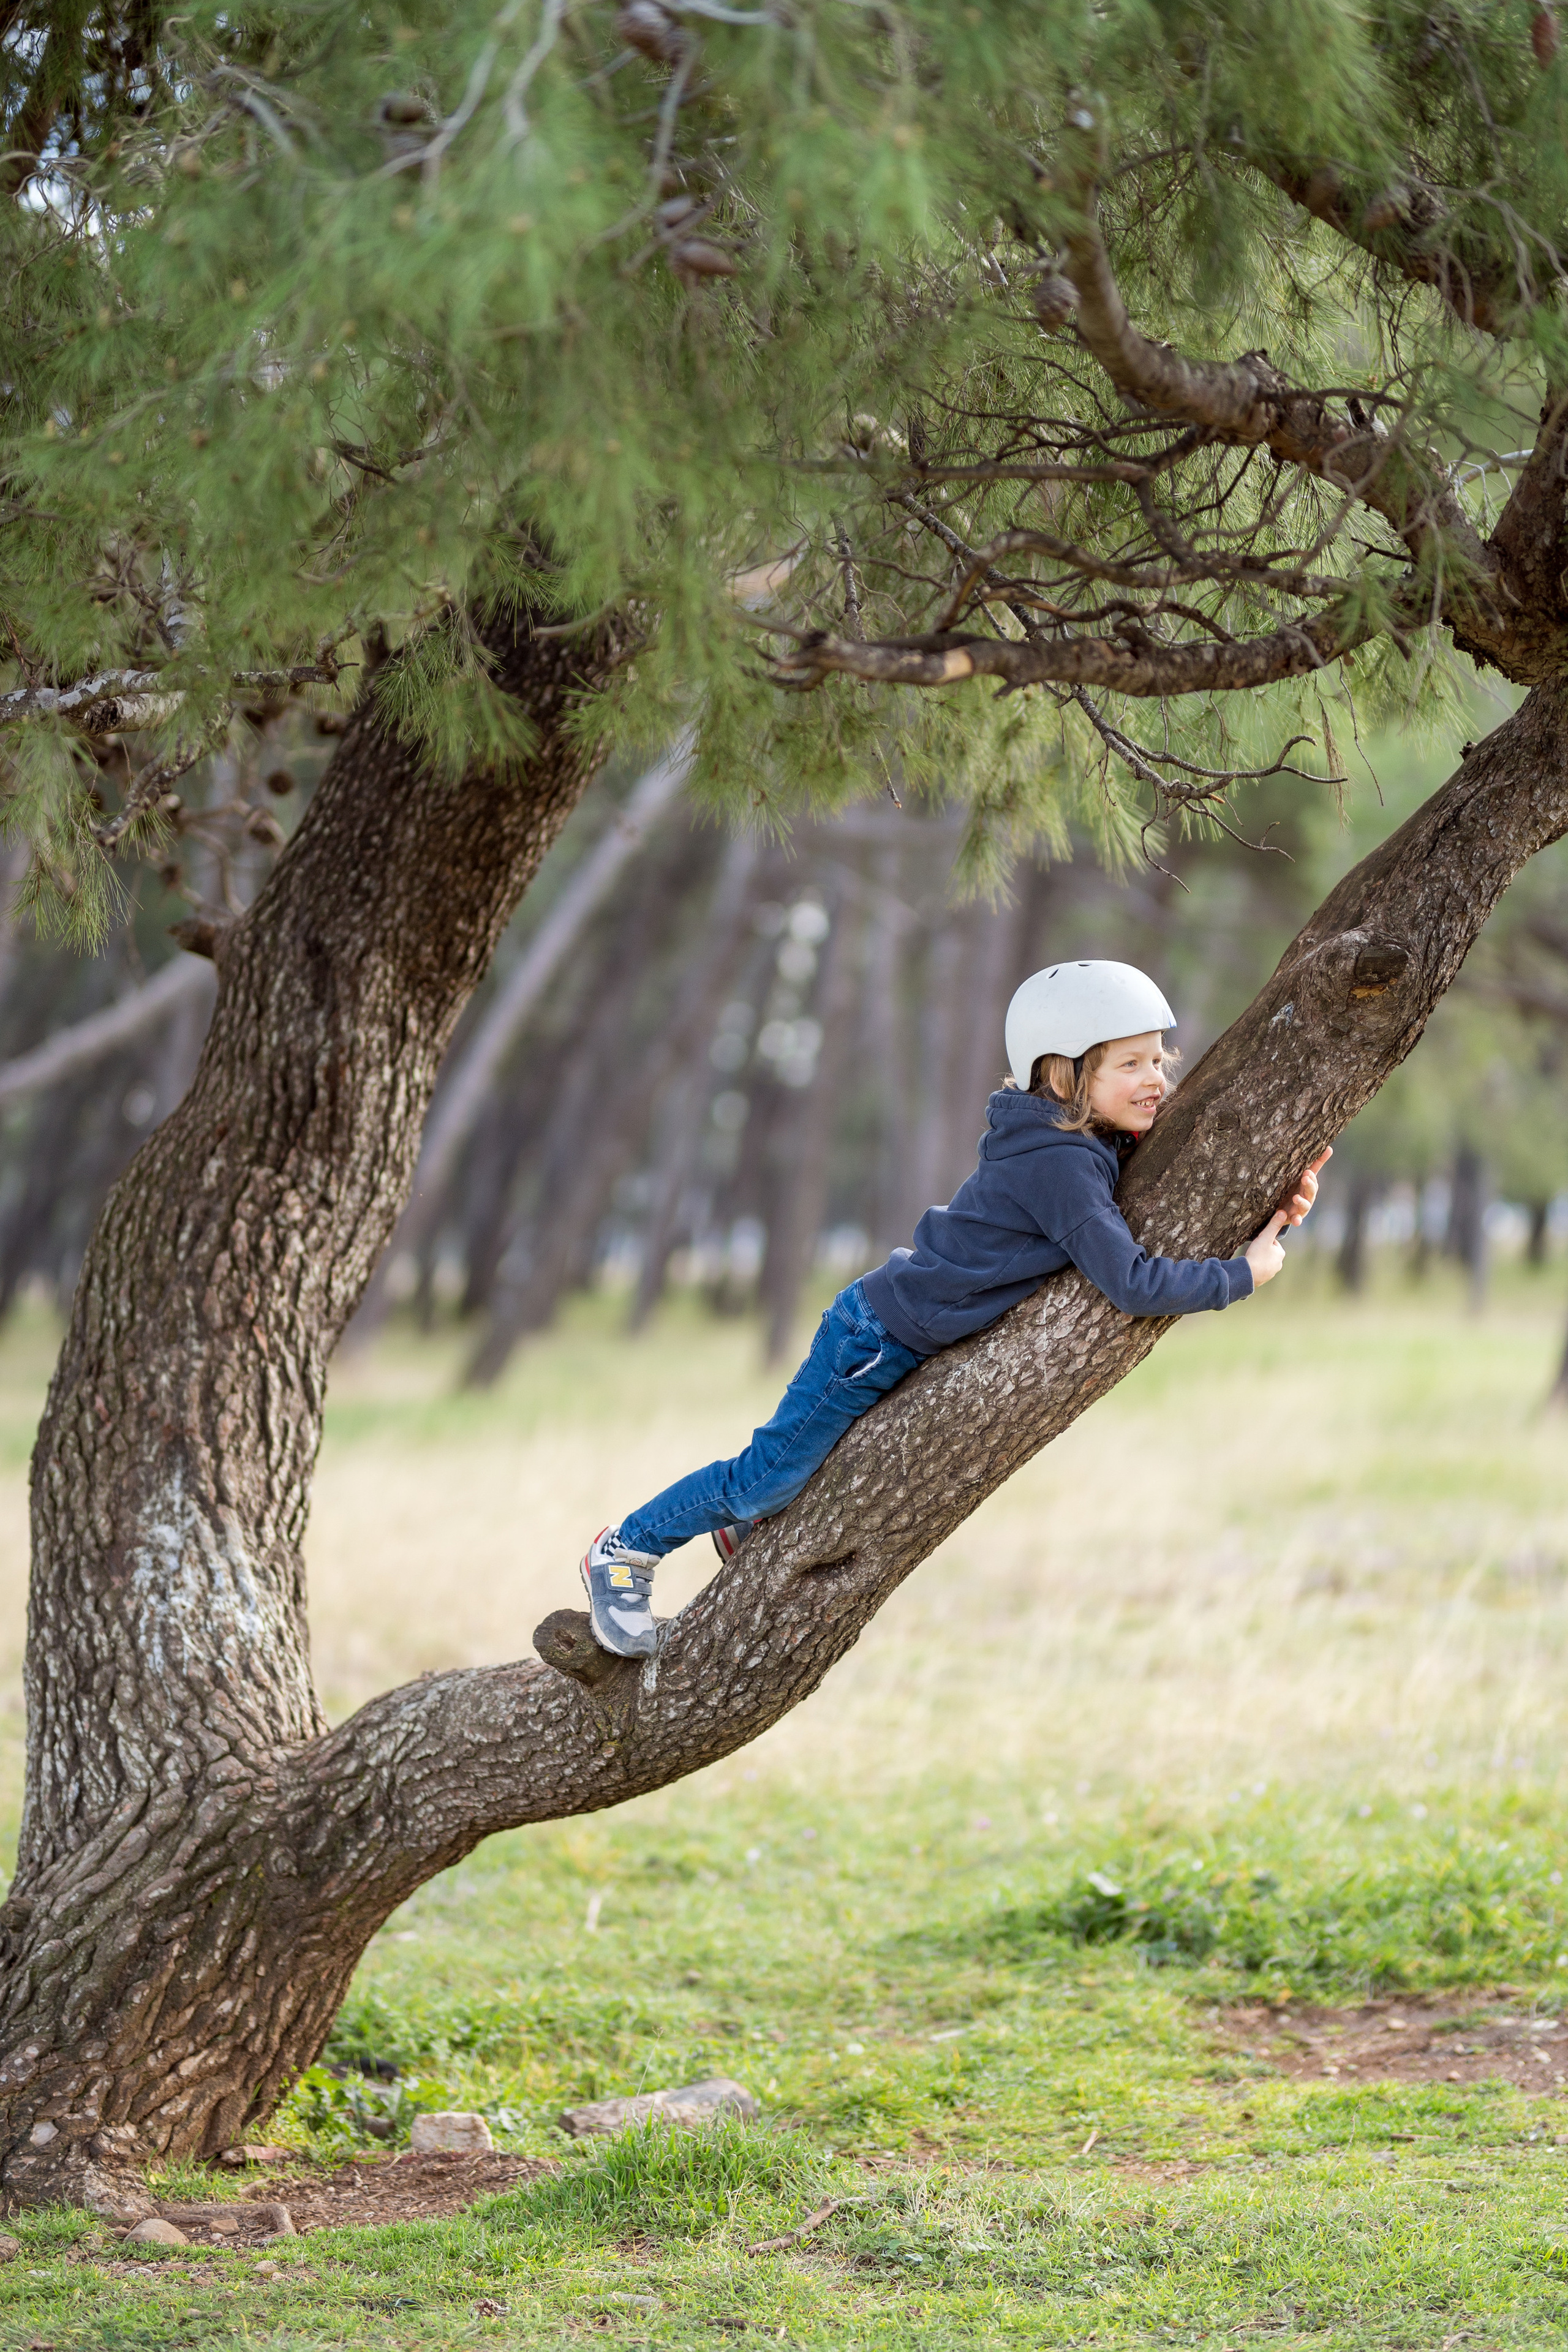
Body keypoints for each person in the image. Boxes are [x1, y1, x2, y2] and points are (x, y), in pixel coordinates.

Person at [576, 959, 1328, 1658]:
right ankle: (626, 1550)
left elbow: (1160, 1185)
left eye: (1159, 1058)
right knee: (763, 1477)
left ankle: (747, 1525)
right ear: (1065, 1073)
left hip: (907, 1334)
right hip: (872, 1340)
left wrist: (1276, 1207)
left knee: (800, 1472)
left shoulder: (1073, 1140)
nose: (1157, 1077)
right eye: (1130, 1063)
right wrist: (1242, 1275)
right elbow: (1129, 1283)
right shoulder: (1059, 1161)